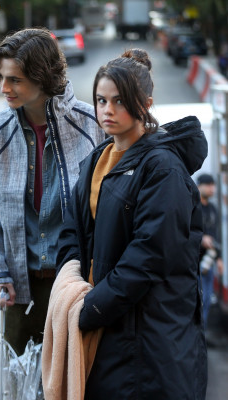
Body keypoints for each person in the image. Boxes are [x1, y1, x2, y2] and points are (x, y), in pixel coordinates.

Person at [56, 49, 207, 399]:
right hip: (106, 328)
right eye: (101, 100)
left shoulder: (163, 168)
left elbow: (150, 254)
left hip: (148, 342)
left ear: (146, 103)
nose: (107, 110)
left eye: (120, 101)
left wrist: (91, 308)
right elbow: (73, 228)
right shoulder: (97, 159)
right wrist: (72, 283)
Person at [0, 27, 105, 355]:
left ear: (43, 76)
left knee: (77, 382)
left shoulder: (92, 126)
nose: (4, 88)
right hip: (19, 289)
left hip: (79, 285)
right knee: (21, 385)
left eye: (15, 79)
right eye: (1, 77)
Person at [197, 173, 224, 328]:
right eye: (208, 185)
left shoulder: (213, 209)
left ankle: (202, 336)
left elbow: (216, 236)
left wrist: (219, 259)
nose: (212, 188)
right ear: (199, 186)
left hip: (208, 264)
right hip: (194, 263)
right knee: (198, 301)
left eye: (213, 185)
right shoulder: (192, 206)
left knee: (206, 299)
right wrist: (201, 239)